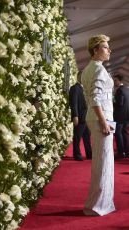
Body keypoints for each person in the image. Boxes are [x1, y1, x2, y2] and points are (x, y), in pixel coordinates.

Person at [81, 34, 115, 216]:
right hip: (101, 119)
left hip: (96, 118)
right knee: (103, 163)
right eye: (105, 47)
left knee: (101, 162)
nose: (109, 50)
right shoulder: (98, 70)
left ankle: (100, 202)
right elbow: (95, 99)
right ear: (95, 50)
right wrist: (103, 122)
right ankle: (98, 206)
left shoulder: (89, 69)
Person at [69, 71, 92, 161]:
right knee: (77, 137)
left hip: (86, 117)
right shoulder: (75, 88)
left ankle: (89, 154)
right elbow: (73, 103)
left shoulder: (85, 88)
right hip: (80, 117)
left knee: (87, 136)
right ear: (79, 77)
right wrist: (75, 116)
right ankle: (77, 154)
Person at [113, 74, 129, 158]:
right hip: (126, 116)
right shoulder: (127, 89)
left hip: (119, 117)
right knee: (125, 133)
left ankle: (120, 152)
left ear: (119, 81)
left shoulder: (120, 90)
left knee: (118, 133)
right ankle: (127, 151)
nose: (114, 82)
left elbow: (120, 103)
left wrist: (112, 103)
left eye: (115, 80)